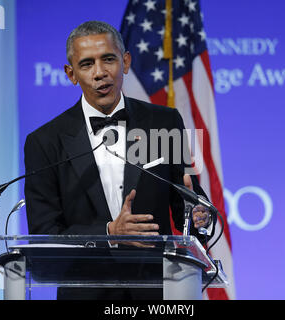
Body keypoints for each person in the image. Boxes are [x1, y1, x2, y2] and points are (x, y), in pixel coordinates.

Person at [24, 20, 215, 300]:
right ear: (71, 74)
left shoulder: (162, 123)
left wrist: (198, 217)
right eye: (87, 64)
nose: (100, 73)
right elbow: (45, 233)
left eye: (109, 59)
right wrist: (109, 232)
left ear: (125, 62)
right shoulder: (45, 141)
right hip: (85, 293)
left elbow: (186, 204)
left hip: (155, 293)